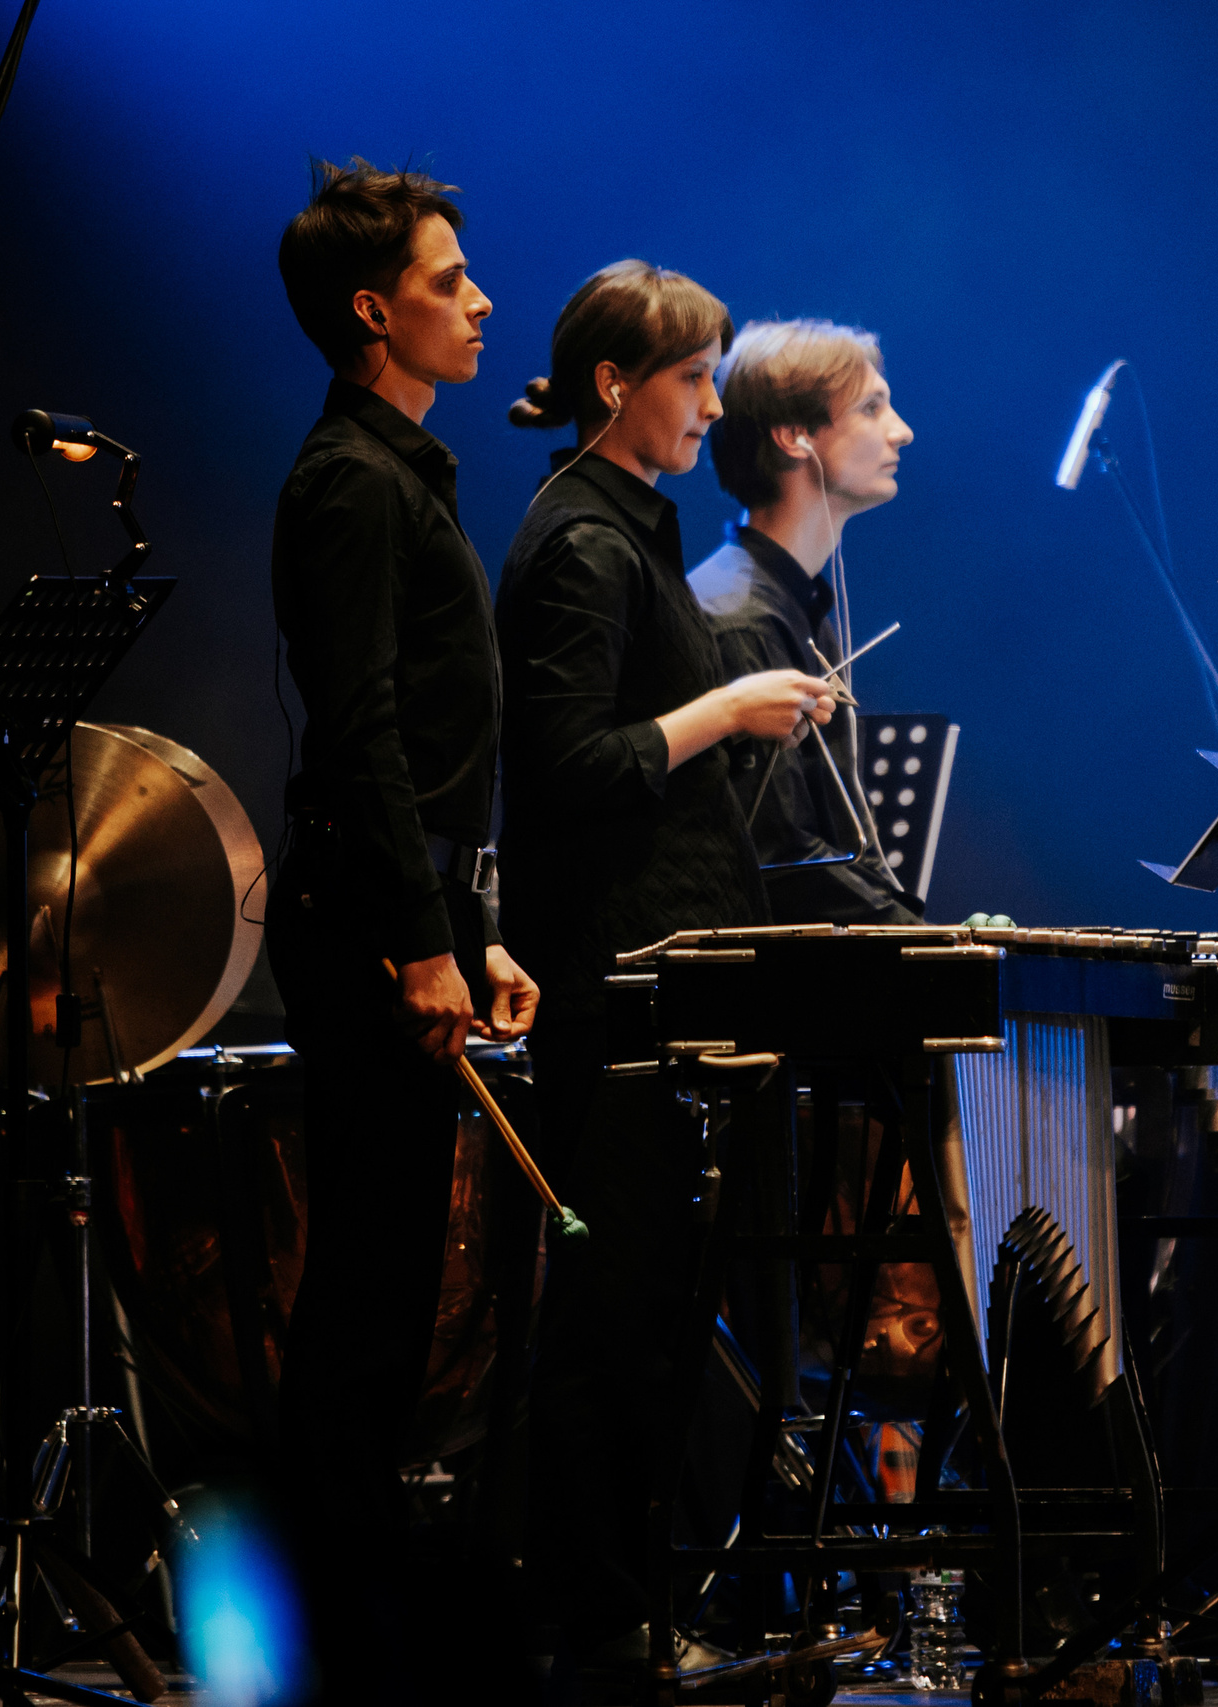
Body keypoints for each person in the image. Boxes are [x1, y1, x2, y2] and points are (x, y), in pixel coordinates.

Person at [498, 260, 838, 1693]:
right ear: (612, 387)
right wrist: (726, 708)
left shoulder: (631, 529)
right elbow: (567, 765)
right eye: (693, 378)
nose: (713, 403)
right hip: (619, 985)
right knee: (611, 1331)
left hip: (674, 975)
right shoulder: (579, 544)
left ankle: (652, 1613)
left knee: (656, 1326)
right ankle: (607, 1627)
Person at [267, 159, 539, 1701]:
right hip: (365, 921)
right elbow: (360, 736)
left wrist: (470, 924)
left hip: (408, 910)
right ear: (377, 310)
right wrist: (419, 936)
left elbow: (438, 749)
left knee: (380, 1278)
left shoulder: (403, 468)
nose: (481, 298)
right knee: (366, 1291)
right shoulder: (350, 481)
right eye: (451, 279)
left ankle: (361, 1622)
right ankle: (337, 1636)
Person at [689, 318, 920, 923]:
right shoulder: (740, 616)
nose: (902, 432)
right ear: (795, 436)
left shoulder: (792, 604)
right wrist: (931, 941)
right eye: (872, 409)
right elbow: (783, 858)